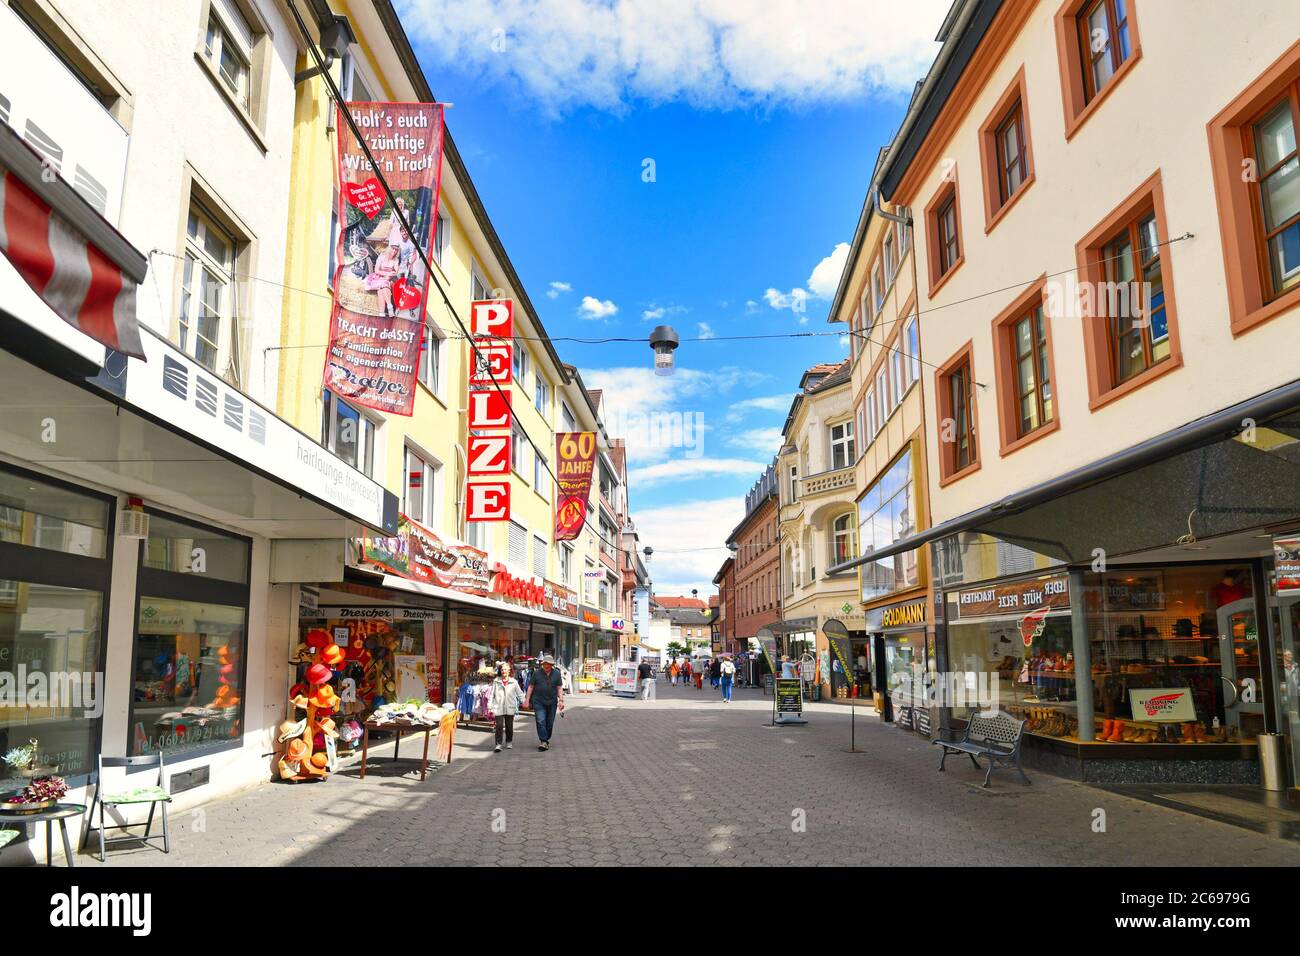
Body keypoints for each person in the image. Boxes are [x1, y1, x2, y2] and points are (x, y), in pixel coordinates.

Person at [524, 653, 564, 751]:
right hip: (538, 701)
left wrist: (561, 701)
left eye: (548, 664)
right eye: (545, 664)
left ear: (552, 665)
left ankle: (546, 739)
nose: (546, 666)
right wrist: (527, 700)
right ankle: (544, 741)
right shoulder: (536, 673)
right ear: (542, 664)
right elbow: (531, 687)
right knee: (540, 721)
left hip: (552, 701)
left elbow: (559, 688)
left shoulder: (557, 674)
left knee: (549, 723)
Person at [488, 662, 525, 752]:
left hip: (510, 706)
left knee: (509, 726)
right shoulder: (496, 681)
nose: (504, 671)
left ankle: (509, 741)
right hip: (498, 706)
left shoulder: (514, 682)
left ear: (509, 671)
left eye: (505, 669)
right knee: (499, 726)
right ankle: (498, 744)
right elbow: (492, 694)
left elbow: (520, 694)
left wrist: (524, 702)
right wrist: (490, 707)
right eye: (502, 669)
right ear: (500, 671)